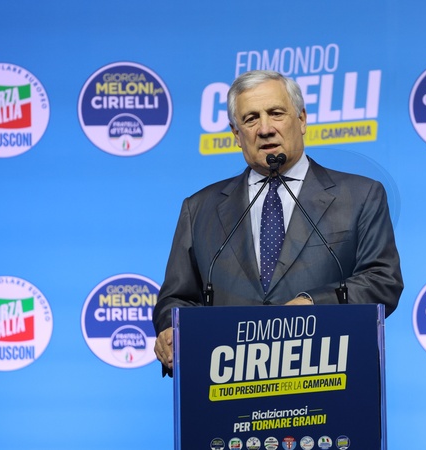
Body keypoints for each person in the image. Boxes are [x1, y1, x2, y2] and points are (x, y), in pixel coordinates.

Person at [152, 70, 403, 374]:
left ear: (302, 119)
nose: (265, 129)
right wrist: (171, 329)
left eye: (276, 113)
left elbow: (382, 281)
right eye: (251, 119)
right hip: (230, 383)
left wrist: (313, 304)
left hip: (328, 378)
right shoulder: (199, 208)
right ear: (236, 134)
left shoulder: (360, 195)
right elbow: (177, 298)